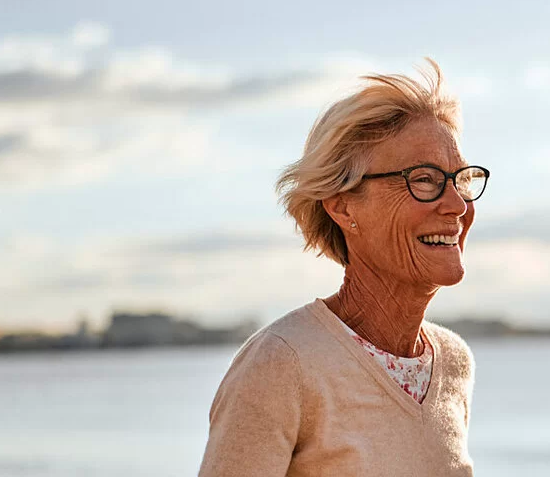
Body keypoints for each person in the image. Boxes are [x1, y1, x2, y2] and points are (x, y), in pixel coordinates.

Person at [199, 60, 488, 477]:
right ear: (342, 205)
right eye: (424, 179)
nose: (458, 205)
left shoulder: (454, 363)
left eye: (461, 179)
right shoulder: (283, 363)